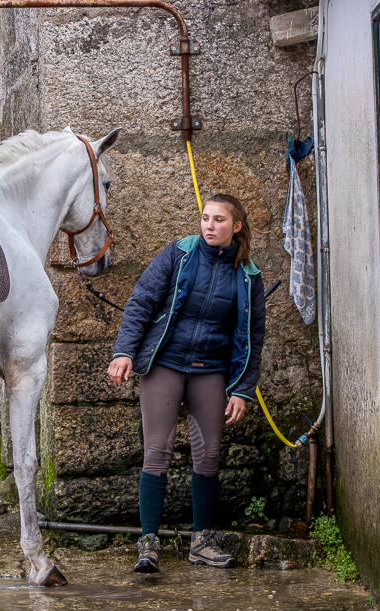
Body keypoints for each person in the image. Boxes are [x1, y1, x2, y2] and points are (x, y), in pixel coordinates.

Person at [107, 193, 265, 573]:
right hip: (166, 362)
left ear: (236, 226)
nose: (210, 226)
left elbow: (252, 338)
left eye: (219, 220)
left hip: (210, 370)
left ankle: (202, 542)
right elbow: (142, 300)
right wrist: (124, 351)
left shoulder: (249, 277)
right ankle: (148, 545)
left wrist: (242, 388)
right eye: (206, 218)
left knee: (209, 455)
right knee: (157, 451)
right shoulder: (179, 253)